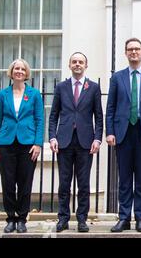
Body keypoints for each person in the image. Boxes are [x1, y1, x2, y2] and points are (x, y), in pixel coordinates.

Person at [106, 38, 141, 233]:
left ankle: (140, 218)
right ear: (126, 53)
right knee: (124, 178)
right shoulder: (117, 77)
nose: (133, 52)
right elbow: (110, 107)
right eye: (130, 49)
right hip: (123, 132)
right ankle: (123, 218)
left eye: (137, 49)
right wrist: (110, 132)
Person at [48, 52, 103, 233]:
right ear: (69, 65)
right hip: (64, 141)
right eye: (74, 62)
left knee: (84, 183)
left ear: (86, 65)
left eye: (80, 62)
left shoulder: (93, 88)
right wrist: (52, 136)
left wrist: (97, 138)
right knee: (64, 183)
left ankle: (82, 219)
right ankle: (63, 218)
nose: (77, 64)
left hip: (85, 141)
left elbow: (99, 117)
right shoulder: (61, 87)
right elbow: (53, 115)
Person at [0, 58, 44, 233]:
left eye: (22, 69)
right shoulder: (3, 94)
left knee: (25, 183)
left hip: (27, 144)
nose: (19, 71)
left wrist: (38, 143)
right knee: (7, 183)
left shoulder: (34, 94)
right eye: (16, 68)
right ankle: (10, 219)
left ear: (26, 73)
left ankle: (22, 218)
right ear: (11, 72)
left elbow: (39, 120)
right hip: (6, 143)